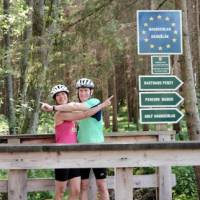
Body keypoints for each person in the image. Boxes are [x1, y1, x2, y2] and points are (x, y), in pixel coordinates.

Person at [41, 84, 112, 200]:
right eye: (57, 95)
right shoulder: (60, 114)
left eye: (63, 94)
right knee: (60, 192)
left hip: (74, 156)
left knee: (76, 190)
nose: (61, 97)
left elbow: (79, 111)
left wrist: (101, 105)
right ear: (55, 99)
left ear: (67, 96)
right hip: (62, 155)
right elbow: (84, 114)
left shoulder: (70, 112)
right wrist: (102, 105)